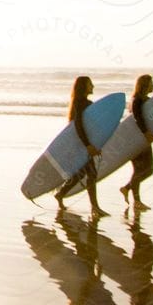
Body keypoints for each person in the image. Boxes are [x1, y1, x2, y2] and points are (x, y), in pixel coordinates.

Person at [58, 74, 108, 217]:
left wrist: (95, 144)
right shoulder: (81, 103)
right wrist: (88, 145)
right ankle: (95, 207)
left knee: (83, 173)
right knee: (90, 173)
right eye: (90, 84)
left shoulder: (83, 102)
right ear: (83, 87)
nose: (93, 86)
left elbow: (90, 127)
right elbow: (79, 125)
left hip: (82, 142)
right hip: (81, 143)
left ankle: (61, 194)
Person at [120, 74, 153, 211]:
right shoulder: (136, 100)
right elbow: (138, 119)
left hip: (143, 139)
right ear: (144, 85)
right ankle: (136, 201)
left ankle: (127, 189)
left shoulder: (145, 100)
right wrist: (147, 133)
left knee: (148, 170)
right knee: (140, 170)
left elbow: (150, 121)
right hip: (135, 140)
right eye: (151, 82)